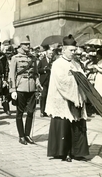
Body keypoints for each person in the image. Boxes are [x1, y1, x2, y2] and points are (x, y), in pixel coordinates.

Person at [46, 34, 89, 162]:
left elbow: (82, 77)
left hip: (76, 98)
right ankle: (62, 152)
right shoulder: (57, 64)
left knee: (77, 123)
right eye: (71, 50)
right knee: (64, 124)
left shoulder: (76, 63)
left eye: (74, 50)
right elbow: (61, 81)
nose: (73, 52)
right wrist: (75, 78)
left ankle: (76, 151)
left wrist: (79, 78)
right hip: (62, 98)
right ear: (63, 50)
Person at [9, 36, 42, 145]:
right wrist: (13, 89)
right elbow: (11, 75)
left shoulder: (33, 58)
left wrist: (38, 84)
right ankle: (21, 135)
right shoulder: (15, 58)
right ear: (21, 45)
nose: (28, 46)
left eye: (28, 44)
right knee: (20, 112)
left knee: (31, 112)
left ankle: (27, 134)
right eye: (25, 44)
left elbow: (35, 73)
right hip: (20, 87)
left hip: (31, 87)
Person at [38, 46, 53, 117]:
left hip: (51, 81)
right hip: (44, 81)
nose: (51, 55)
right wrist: (44, 70)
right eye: (50, 54)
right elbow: (38, 70)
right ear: (46, 54)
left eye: (52, 54)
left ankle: (48, 111)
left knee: (50, 97)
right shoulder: (42, 61)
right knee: (43, 96)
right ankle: (42, 111)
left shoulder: (53, 61)